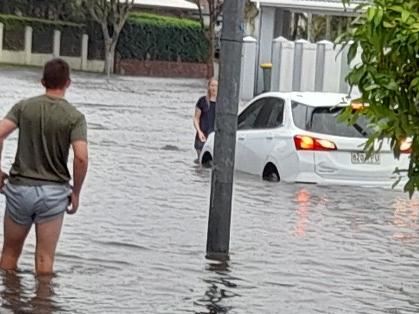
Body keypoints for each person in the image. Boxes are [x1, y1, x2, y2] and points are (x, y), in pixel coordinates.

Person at [0, 58, 88, 275]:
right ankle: (42, 305)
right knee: (45, 258)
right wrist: (75, 192)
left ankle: (8, 301)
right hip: (53, 194)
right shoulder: (74, 117)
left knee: (9, 254)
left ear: (42, 81)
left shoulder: (24, 107)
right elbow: (81, 158)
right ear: (68, 82)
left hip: (19, 190)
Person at [193, 78, 218, 158]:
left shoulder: (222, 103)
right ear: (208, 87)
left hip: (215, 137)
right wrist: (199, 131)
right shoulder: (202, 101)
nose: (214, 88)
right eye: (212, 85)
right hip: (202, 136)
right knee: (201, 164)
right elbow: (196, 119)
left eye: (216, 86)